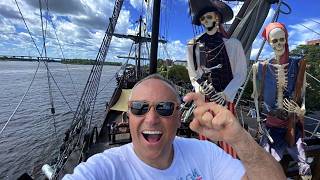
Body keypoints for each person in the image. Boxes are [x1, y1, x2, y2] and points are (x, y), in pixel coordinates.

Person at [63, 74, 285, 180]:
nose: (151, 119)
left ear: (179, 118)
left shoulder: (204, 153)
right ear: (127, 116)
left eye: (165, 108)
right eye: (140, 108)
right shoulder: (106, 168)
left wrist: (239, 138)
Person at [187, 0, 247, 156]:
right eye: (203, 19)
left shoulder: (233, 44)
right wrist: (201, 88)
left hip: (226, 100)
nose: (206, 21)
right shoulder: (194, 45)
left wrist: (225, 94)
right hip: (205, 98)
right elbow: (193, 73)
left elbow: (241, 73)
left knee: (229, 140)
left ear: (217, 18)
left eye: (209, 17)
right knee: (205, 140)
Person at [251, 22, 311, 179]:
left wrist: (300, 110)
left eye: (281, 39)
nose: (279, 44)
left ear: (286, 39)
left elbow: (303, 99)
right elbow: (256, 98)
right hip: (271, 125)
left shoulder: (298, 65)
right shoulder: (260, 68)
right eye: (274, 41)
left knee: (304, 167)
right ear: (269, 43)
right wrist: (258, 120)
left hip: (292, 125)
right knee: (266, 163)